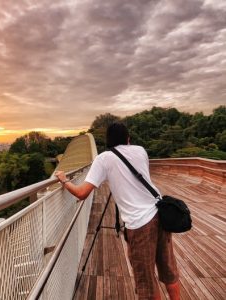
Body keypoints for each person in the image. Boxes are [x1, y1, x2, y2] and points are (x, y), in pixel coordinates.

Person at [55, 122, 180, 300]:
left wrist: (64, 180)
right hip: (159, 213)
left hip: (140, 224)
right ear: (128, 138)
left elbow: (82, 193)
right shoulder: (140, 150)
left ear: (107, 141)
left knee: (146, 281)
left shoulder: (104, 159)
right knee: (169, 271)